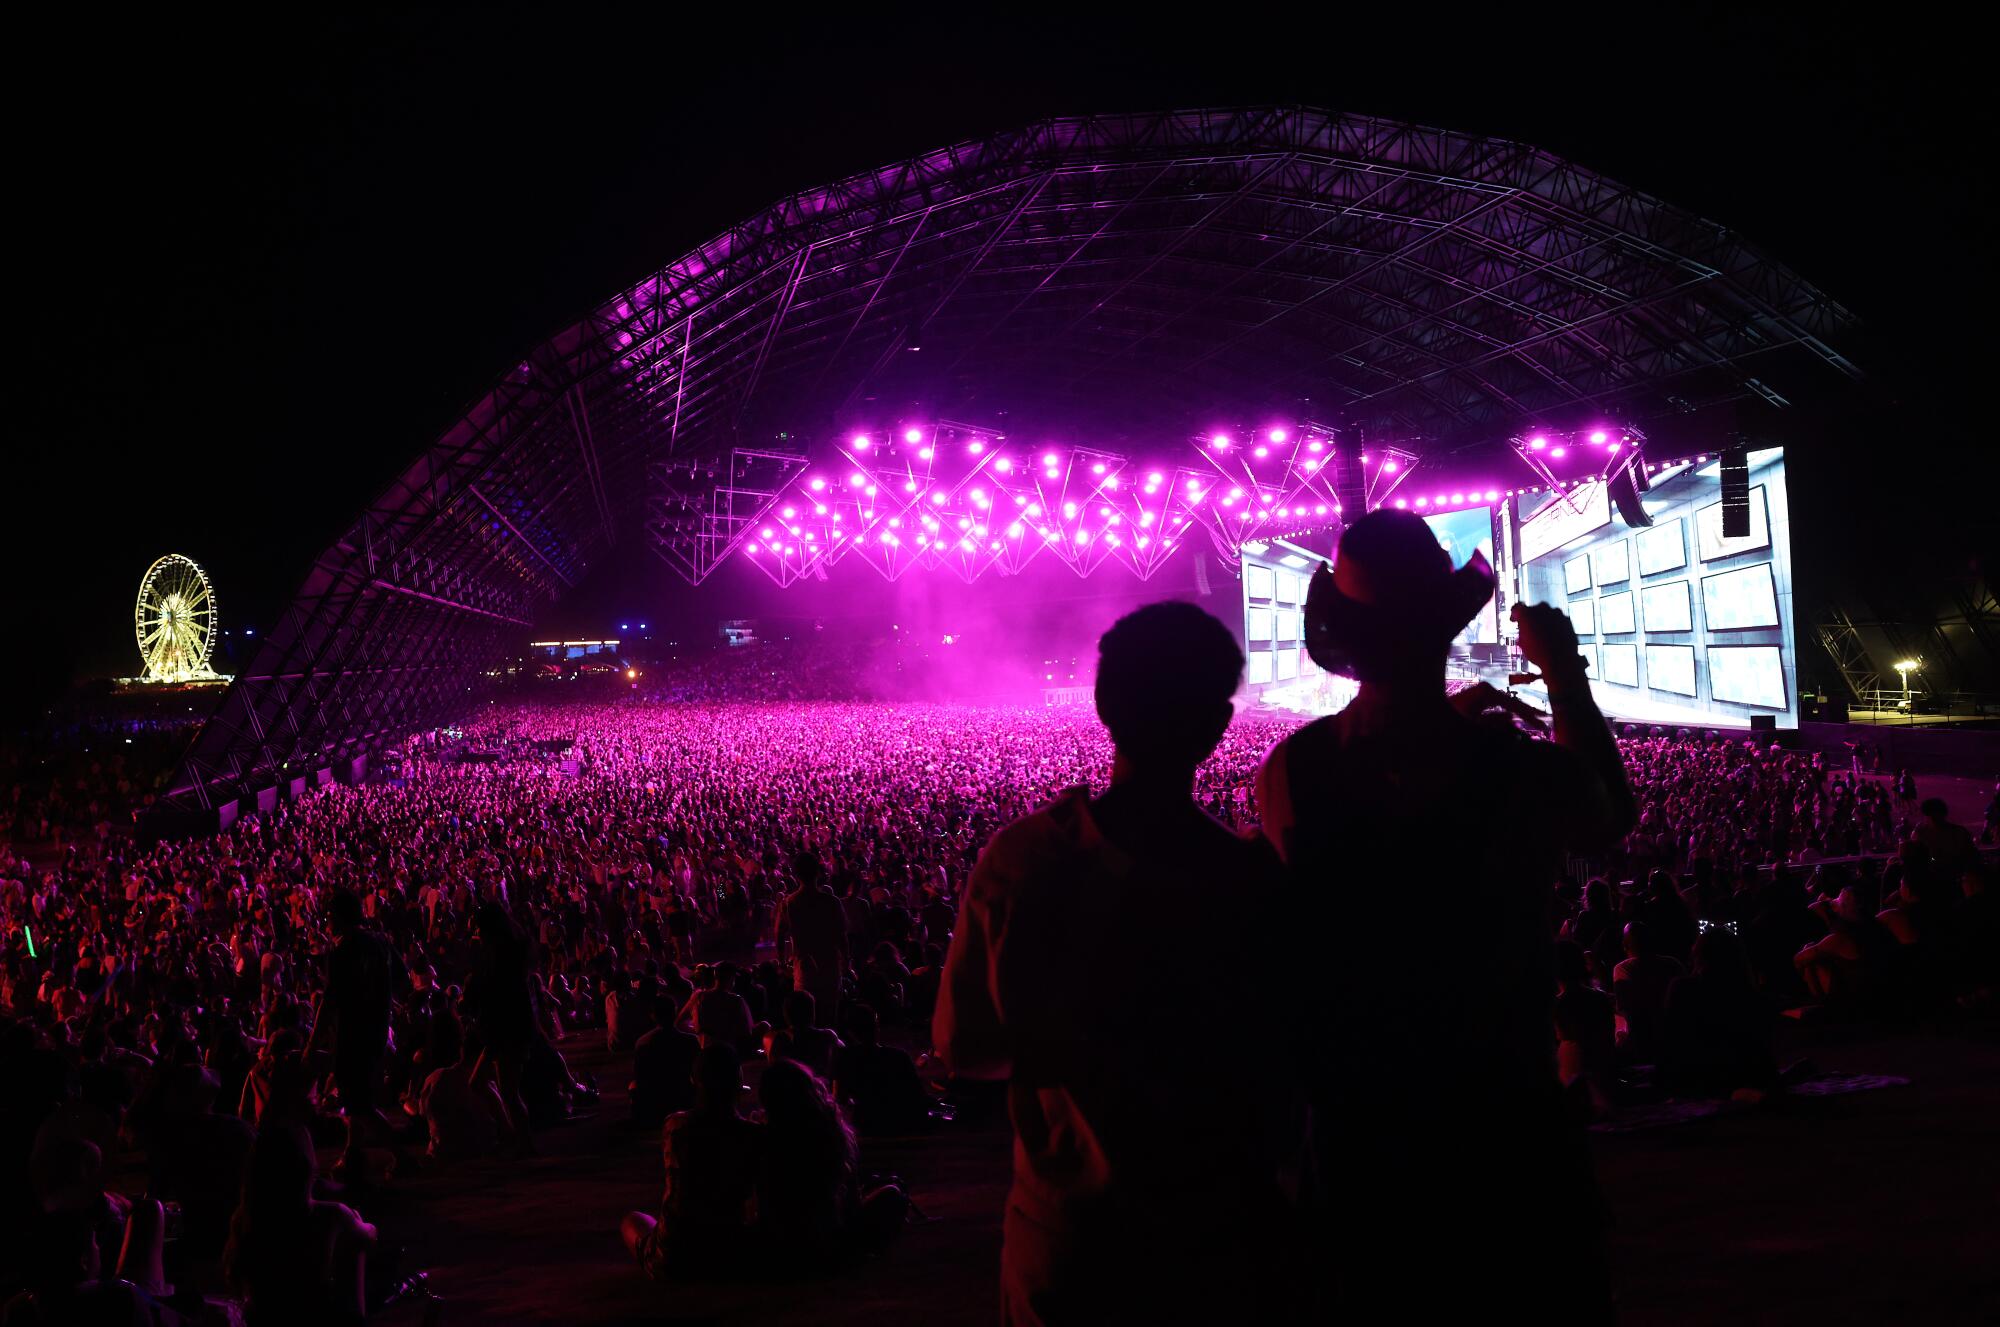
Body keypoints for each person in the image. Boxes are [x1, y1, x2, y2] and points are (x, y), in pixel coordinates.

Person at [1254, 511, 1633, 1322]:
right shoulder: (1511, 771)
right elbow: (1608, 814)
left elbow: (1388, 794)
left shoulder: (1291, 772)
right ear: (1447, 629)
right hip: (1501, 1126)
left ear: (1343, 637)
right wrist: (1563, 676)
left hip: (1360, 1138)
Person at [937, 602, 1300, 1324]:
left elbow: (963, 1047)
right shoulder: (1253, 882)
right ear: (1217, 727)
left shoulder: (1023, 861)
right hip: (1216, 1244)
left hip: (1072, 1246)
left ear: (1104, 704)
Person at [621, 1044, 762, 1282]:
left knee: (632, 1220)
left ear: (693, 1080)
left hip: (673, 1256)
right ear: (739, 1081)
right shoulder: (753, 1134)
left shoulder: (675, 1125)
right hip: (728, 1252)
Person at [755, 1061, 905, 1276]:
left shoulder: (761, 1136)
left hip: (778, 1245)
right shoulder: (831, 1135)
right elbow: (851, 1205)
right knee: (892, 1194)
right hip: (828, 1242)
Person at [223, 1125, 378, 1326]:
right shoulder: (331, 1214)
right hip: (315, 1315)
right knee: (356, 1243)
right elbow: (370, 1235)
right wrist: (356, 1218)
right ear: (308, 1166)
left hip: (264, 1316)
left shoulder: (246, 1217)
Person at [309, 892, 400, 1181]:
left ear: (338, 917)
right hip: (376, 1028)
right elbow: (402, 977)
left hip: (351, 1032)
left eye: (328, 918)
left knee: (358, 1102)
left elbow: (331, 999)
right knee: (358, 1099)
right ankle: (353, 1155)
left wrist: (313, 1043)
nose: (326, 924)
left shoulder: (341, 951)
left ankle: (399, 1154)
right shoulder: (380, 943)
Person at [775, 854, 847, 1027]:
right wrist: (846, 961)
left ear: (796, 875)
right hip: (830, 967)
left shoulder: (789, 903)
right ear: (818, 873)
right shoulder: (832, 902)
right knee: (829, 1020)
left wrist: (782, 962)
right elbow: (841, 936)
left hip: (804, 968)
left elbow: (779, 934)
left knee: (804, 1019)